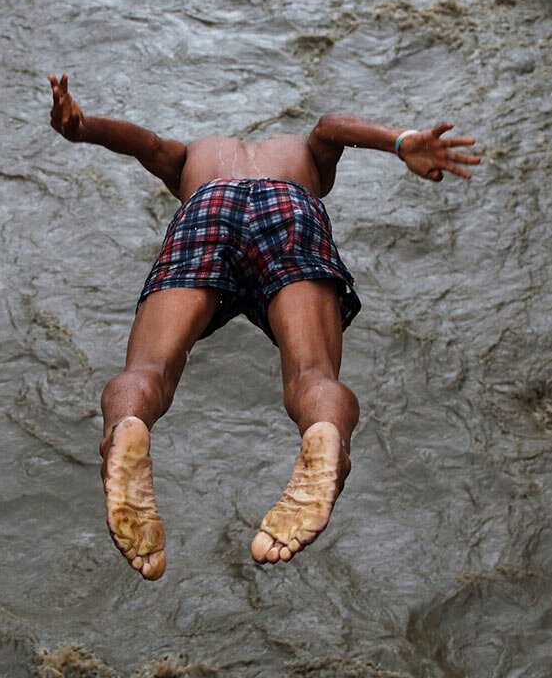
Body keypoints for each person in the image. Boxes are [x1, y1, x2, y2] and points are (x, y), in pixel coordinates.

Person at [47, 74, 481, 580]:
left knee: (150, 370)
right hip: (291, 206)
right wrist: (403, 141)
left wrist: (84, 127)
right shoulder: (300, 153)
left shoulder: (193, 157)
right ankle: (327, 435)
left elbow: (145, 143)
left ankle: (125, 428)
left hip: (205, 206)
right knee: (313, 377)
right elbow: (331, 127)